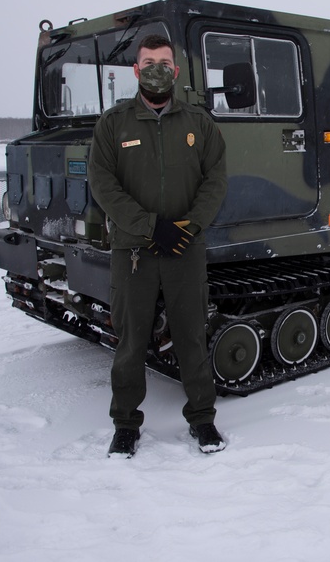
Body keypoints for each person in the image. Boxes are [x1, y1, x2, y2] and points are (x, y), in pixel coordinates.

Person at [88, 34, 228, 456]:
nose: (156, 69)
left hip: (185, 248)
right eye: (148, 61)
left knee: (191, 337)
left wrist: (188, 227)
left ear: (176, 71)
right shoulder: (113, 124)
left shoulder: (199, 123)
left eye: (163, 62)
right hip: (133, 252)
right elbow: (103, 185)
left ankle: (203, 420)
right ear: (135, 70)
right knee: (131, 343)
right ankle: (126, 425)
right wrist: (151, 227)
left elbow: (215, 180)